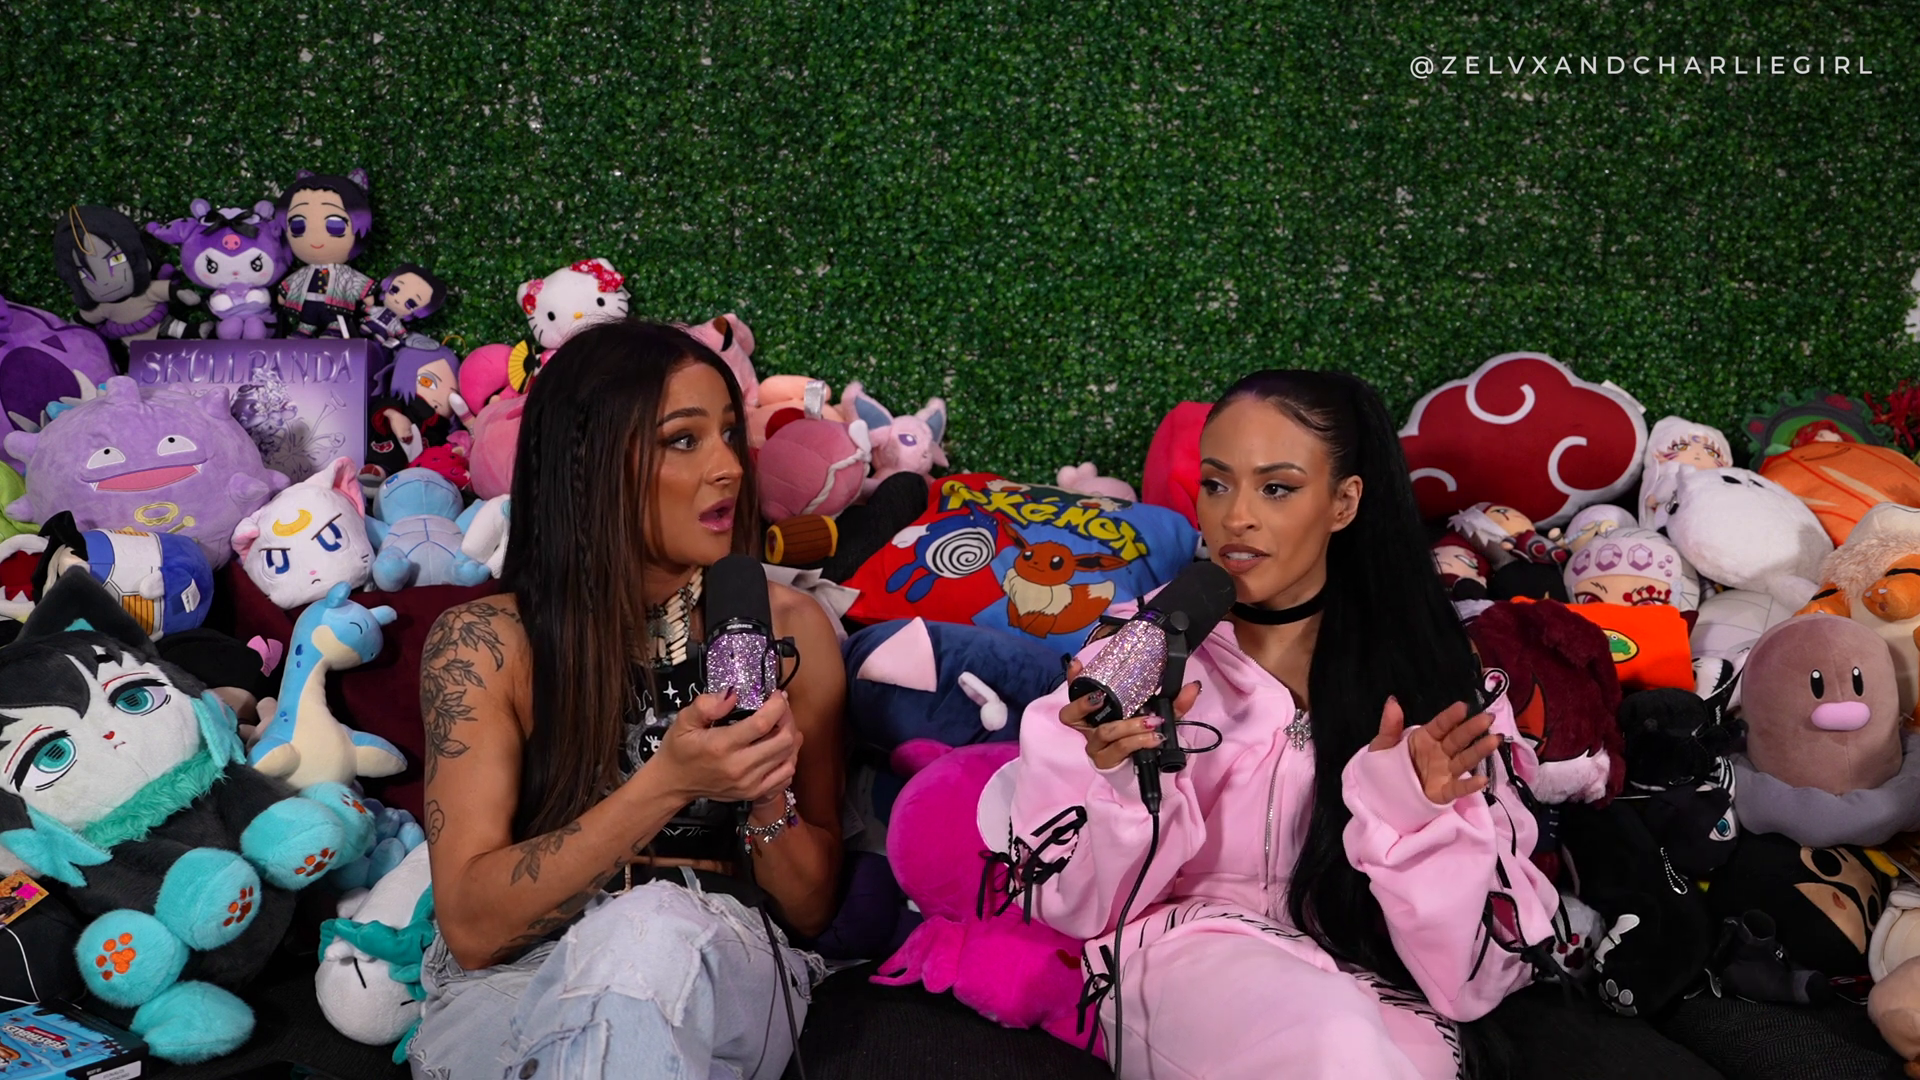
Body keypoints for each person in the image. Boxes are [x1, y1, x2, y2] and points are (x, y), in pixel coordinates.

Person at [1008, 369, 1562, 1079]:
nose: (1235, 517)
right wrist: (1124, 784)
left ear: (1344, 502)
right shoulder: (1128, 659)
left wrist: (1413, 818)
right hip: (1181, 961)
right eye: (1216, 484)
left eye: (1276, 488)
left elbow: (1471, 979)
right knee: (1336, 1045)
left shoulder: (1435, 677)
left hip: (1371, 987)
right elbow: (1067, 905)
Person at [409, 320, 846, 1080]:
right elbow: (475, 931)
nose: (729, 468)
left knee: (649, 932)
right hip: (519, 977)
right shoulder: (484, 644)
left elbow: (810, 910)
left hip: (721, 956)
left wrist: (764, 792)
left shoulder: (789, 628)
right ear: (590, 463)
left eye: (729, 435)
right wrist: (667, 783)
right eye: (684, 440)